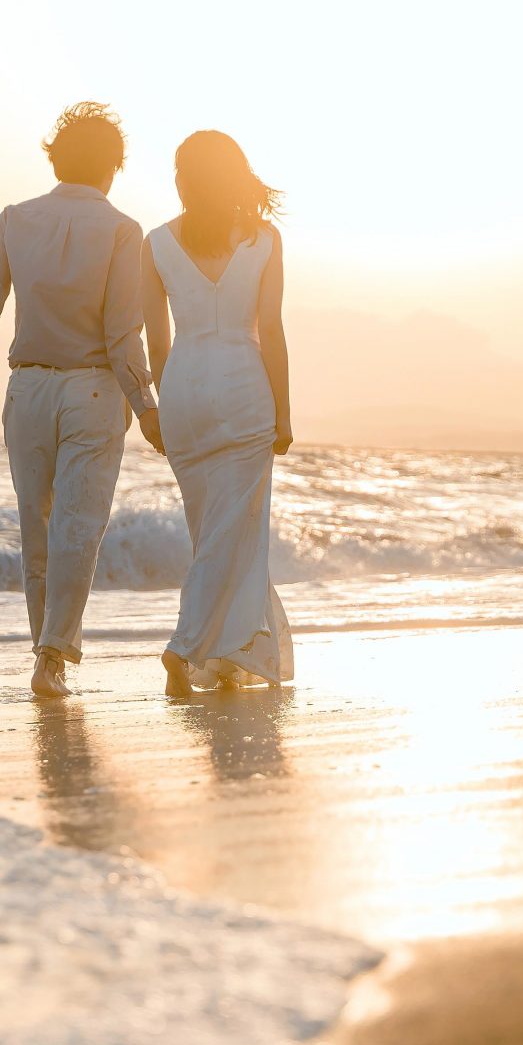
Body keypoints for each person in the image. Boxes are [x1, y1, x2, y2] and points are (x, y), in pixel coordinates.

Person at [0, 102, 164, 699]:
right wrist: (146, 406)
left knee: (35, 529)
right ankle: (52, 657)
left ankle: (46, 654)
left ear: (56, 158)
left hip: (28, 388)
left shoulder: (15, 219)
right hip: (95, 389)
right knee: (77, 530)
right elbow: (123, 334)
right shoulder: (122, 231)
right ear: (114, 166)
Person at [143, 130, 295, 695]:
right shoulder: (262, 239)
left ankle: (229, 654)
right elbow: (272, 331)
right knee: (233, 532)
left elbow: (155, 343)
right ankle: (185, 647)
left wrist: (160, 403)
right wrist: (284, 412)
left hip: (183, 389)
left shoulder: (155, 242)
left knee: (210, 530)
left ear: (184, 177)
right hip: (243, 388)